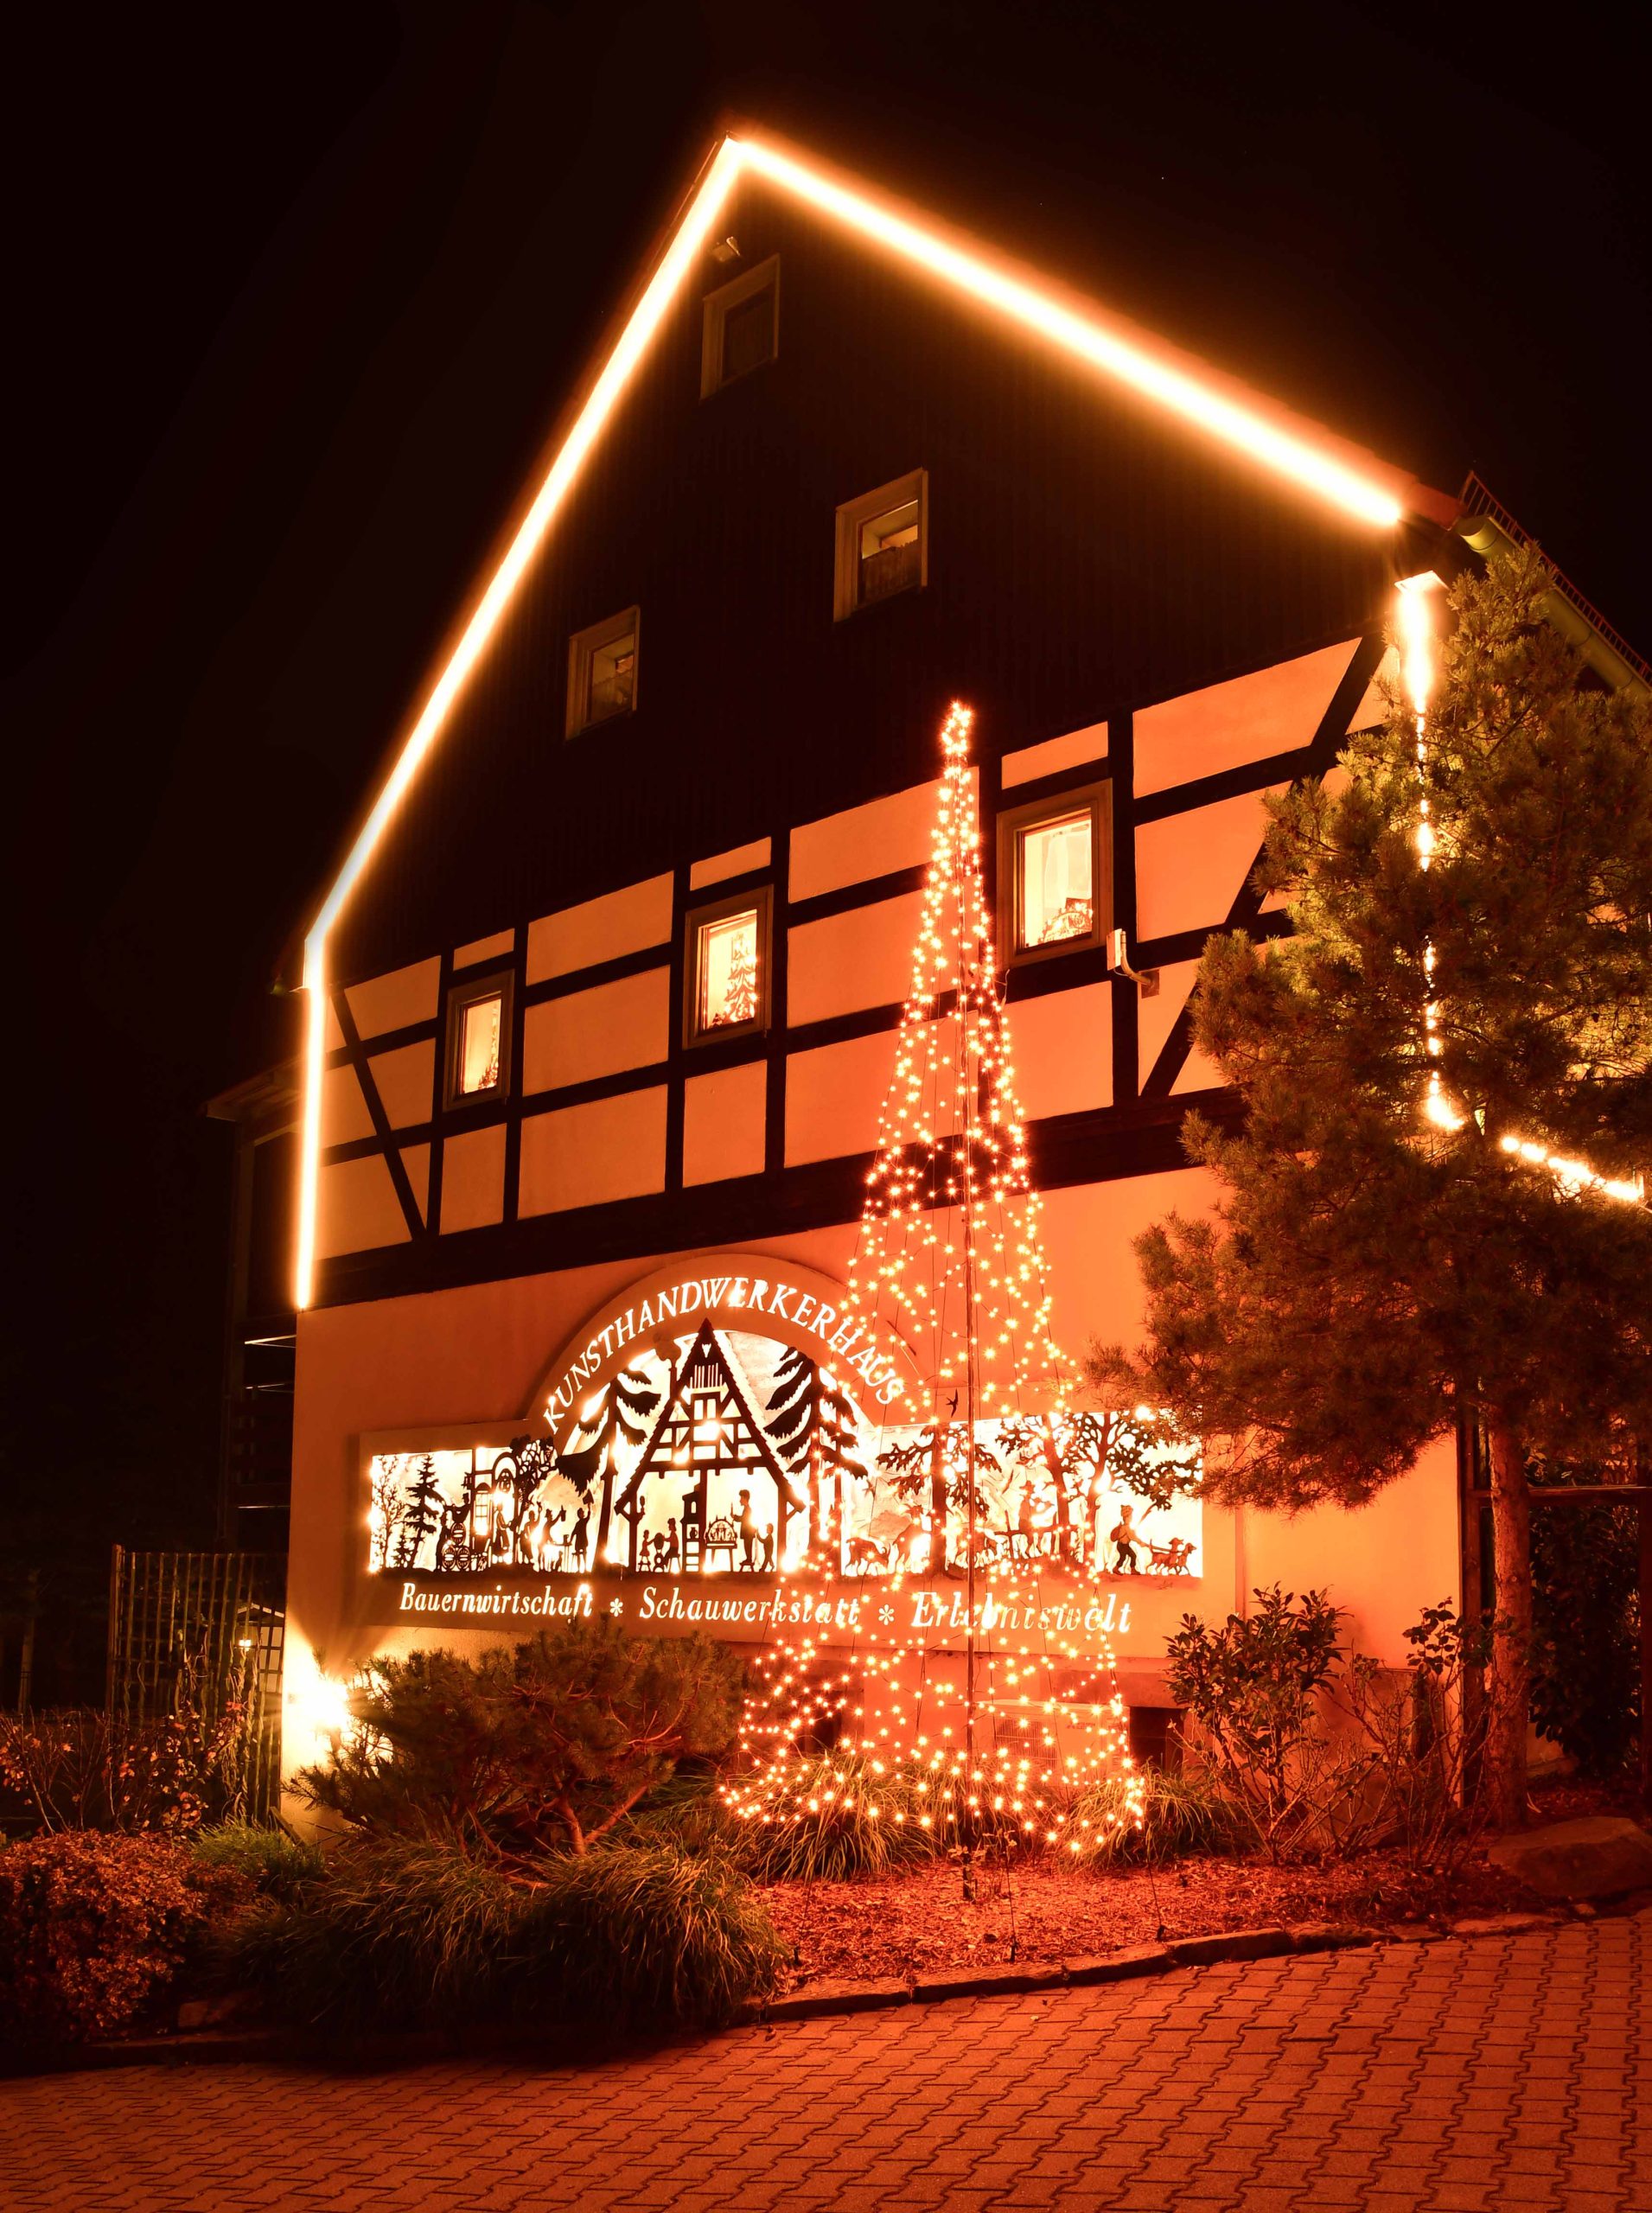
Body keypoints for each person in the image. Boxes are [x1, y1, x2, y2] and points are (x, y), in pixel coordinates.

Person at [1109, 1503, 1140, 1574]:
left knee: (1133, 1555)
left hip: (1125, 1545)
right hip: (1122, 1546)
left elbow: (1131, 1535)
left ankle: (1133, 1569)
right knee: (1123, 1558)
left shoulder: (1127, 1527)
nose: (1131, 1518)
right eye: (1130, 1516)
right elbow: (1132, 1537)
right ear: (1126, 1517)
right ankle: (1116, 1568)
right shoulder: (1126, 1527)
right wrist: (1140, 1542)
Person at [737, 1489, 757, 1569]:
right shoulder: (746, 1509)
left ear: (745, 1498)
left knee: (748, 1546)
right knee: (747, 1546)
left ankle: (749, 1559)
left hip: (748, 1532)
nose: (740, 1500)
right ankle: (748, 1559)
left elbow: (743, 1519)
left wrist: (734, 1517)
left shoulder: (748, 1509)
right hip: (747, 1532)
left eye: (741, 1498)